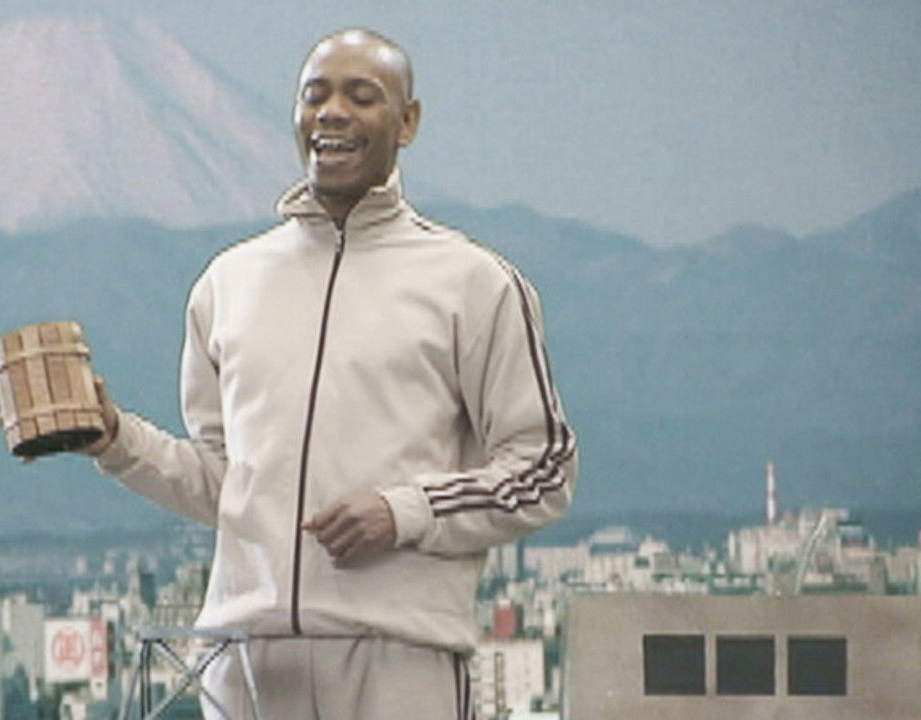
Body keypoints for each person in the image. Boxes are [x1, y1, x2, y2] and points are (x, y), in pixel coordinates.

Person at [80, 27, 577, 720]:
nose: (332, 113)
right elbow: (228, 484)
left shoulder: (475, 284)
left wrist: (405, 512)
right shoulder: (229, 283)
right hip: (246, 664)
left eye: (361, 96)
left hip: (400, 657)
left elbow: (544, 467)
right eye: (314, 95)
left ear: (408, 121)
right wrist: (116, 442)